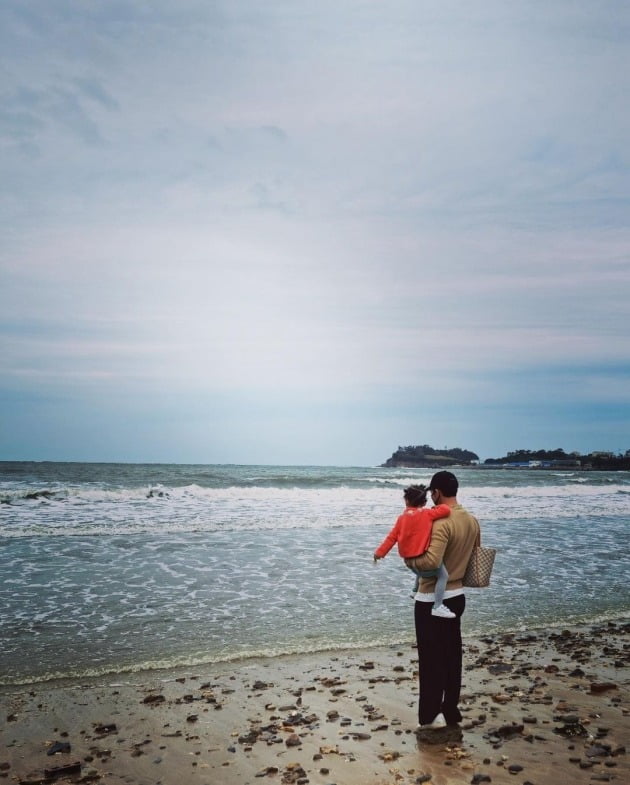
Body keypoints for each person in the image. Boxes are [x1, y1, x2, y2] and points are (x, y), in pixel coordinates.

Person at [405, 471, 479, 731]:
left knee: (431, 660)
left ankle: (431, 716)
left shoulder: (441, 522)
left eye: (431, 493)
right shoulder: (471, 520)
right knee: (451, 656)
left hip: (431, 599)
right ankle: (450, 710)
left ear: (436, 492)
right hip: (457, 596)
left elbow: (431, 562)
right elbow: (474, 555)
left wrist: (409, 560)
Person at [373, 484, 456, 618]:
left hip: (410, 564)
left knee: (418, 558)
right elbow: (446, 510)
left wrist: (379, 553)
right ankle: (437, 606)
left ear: (406, 501)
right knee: (443, 576)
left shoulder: (401, 518)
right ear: (424, 502)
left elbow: (391, 538)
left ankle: (414, 590)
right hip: (424, 561)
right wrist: (433, 508)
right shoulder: (427, 513)